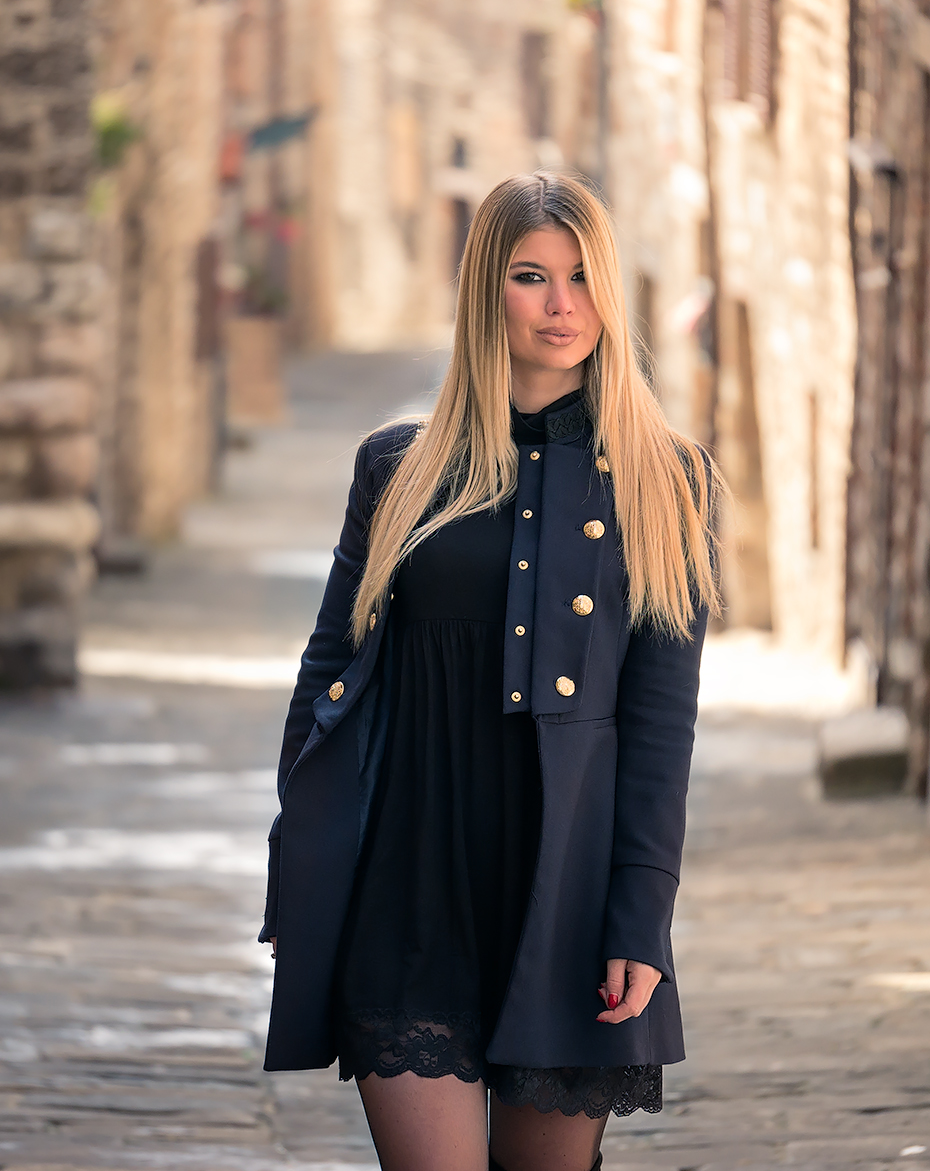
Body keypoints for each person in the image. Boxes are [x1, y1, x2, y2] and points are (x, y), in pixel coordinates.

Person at [259, 171, 723, 1171]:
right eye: (530, 276)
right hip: (406, 886)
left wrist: (638, 916)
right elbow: (329, 667)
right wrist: (302, 851)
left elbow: (660, 725)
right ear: (486, 292)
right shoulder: (398, 469)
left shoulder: (665, 482)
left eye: (582, 278)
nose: (562, 304)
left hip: (568, 887)